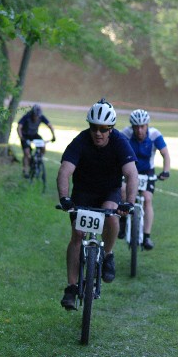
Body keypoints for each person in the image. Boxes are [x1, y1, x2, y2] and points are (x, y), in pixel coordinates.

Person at [57, 98, 139, 310]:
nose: (98, 133)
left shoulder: (120, 142)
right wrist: (64, 198)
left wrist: (129, 202)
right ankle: (72, 287)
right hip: (83, 192)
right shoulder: (81, 140)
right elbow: (65, 170)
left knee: (112, 216)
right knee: (77, 235)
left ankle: (108, 254)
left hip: (109, 191)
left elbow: (131, 174)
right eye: (94, 127)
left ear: (111, 129)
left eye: (104, 129)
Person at [120, 109, 171, 250]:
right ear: (132, 127)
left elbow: (165, 154)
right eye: (136, 127)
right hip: (130, 171)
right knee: (123, 191)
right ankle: (123, 221)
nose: (139, 130)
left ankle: (147, 236)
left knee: (147, 200)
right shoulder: (126, 133)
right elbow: (116, 150)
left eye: (142, 126)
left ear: (147, 125)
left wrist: (166, 171)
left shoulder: (155, 135)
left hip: (147, 172)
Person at [17, 104, 56, 178]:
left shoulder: (41, 117)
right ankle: (25, 170)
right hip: (25, 136)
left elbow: (50, 126)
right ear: (32, 113)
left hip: (34, 135)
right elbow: (19, 127)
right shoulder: (27, 116)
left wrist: (53, 136)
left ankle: (39, 160)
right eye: (35, 115)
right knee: (27, 153)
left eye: (38, 116)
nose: (37, 117)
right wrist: (21, 137)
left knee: (43, 147)